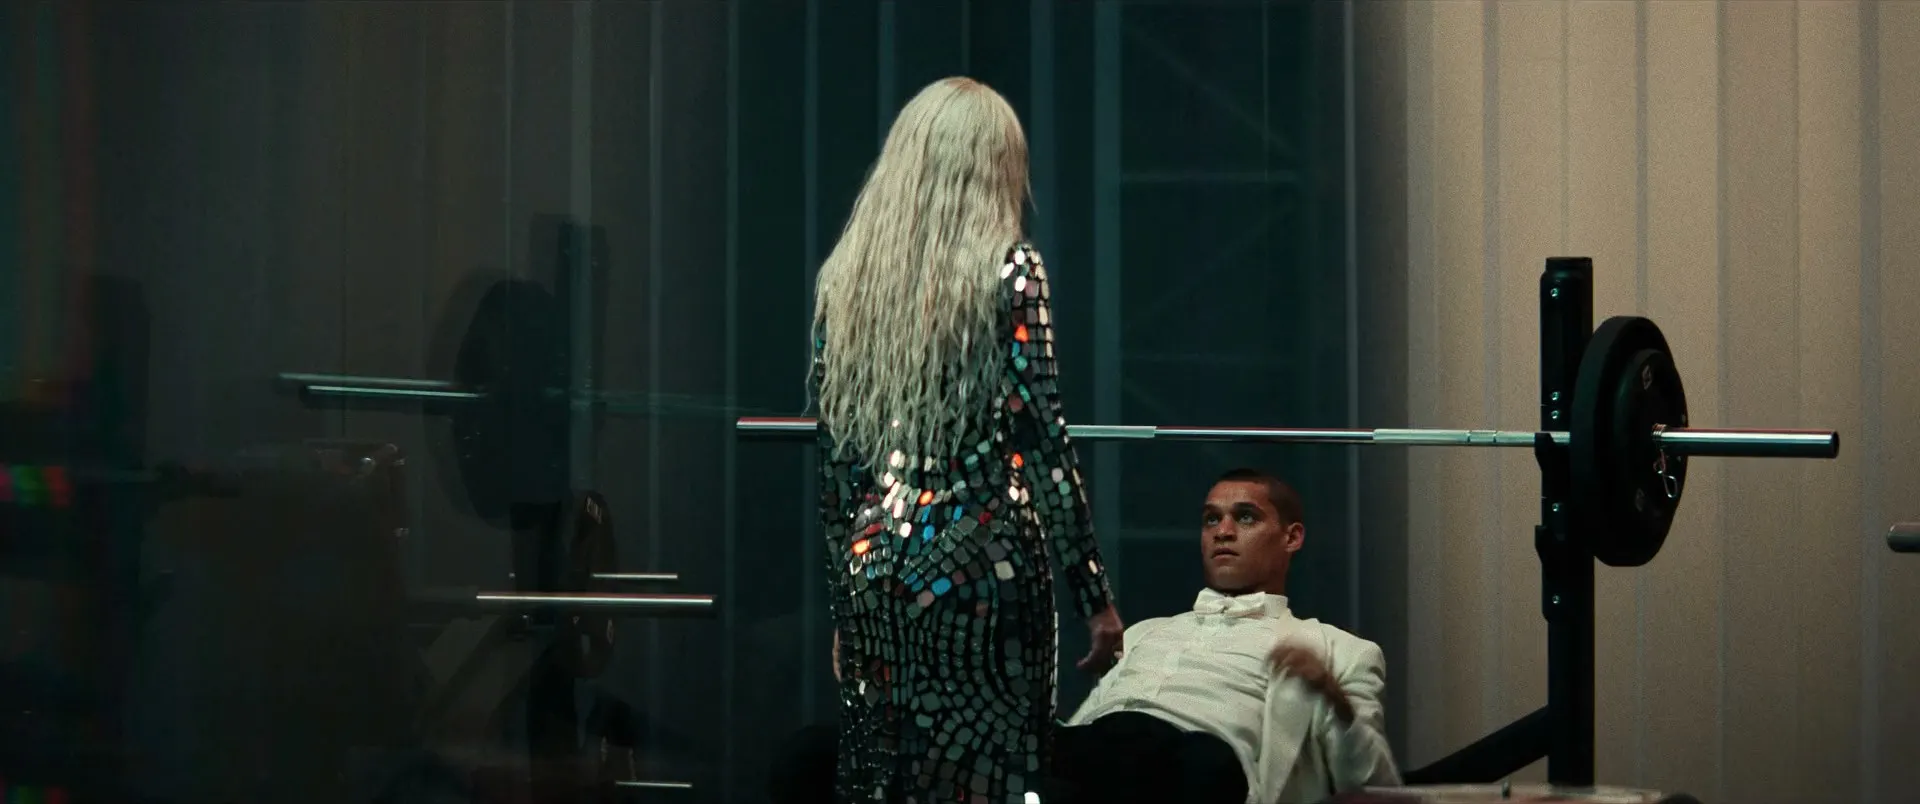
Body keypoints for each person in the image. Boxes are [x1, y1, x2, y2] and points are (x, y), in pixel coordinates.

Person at [808, 75, 1126, 804]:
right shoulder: (1012, 271)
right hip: (985, 564)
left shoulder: (846, 282)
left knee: (886, 777)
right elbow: (1043, 443)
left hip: (876, 563)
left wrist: (847, 605)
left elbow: (838, 473)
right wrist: (1094, 596)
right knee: (993, 775)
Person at [770, 468, 1398, 804]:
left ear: (1292, 537)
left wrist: (1330, 697)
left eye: (1245, 517)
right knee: (814, 753)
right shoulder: (1150, 631)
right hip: (1087, 750)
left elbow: (1372, 783)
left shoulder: (1338, 649)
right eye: (1211, 519)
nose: (1223, 531)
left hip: (1193, 767)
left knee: (1203, 766)